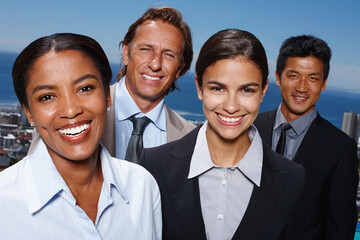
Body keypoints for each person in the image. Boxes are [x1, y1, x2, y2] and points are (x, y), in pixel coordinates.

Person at [139, 29, 305, 239]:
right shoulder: (154, 165)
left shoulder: (292, 178)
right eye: (218, 88)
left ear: (263, 91)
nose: (231, 106)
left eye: (247, 90)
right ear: (200, 88)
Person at [0, 33, 161, 239]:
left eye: (85, 88)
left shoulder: (142, 186)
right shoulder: (4, 201)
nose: (70, 110)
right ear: (28, 112)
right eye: (47, 97)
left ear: (107, 96)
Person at [28, 7, 196, 162]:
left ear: (180, 68)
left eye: (168, 55)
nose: (155, 64)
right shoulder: (70, 115)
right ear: (126, 52)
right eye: (145, 49)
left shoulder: (190, 137)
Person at [254, 35, 359, 240]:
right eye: (293, 75)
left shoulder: (340, 149)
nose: (302, 87)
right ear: (278, 77)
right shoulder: (250, 128)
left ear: (323, 84)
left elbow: (340, 228)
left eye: (313, 78)